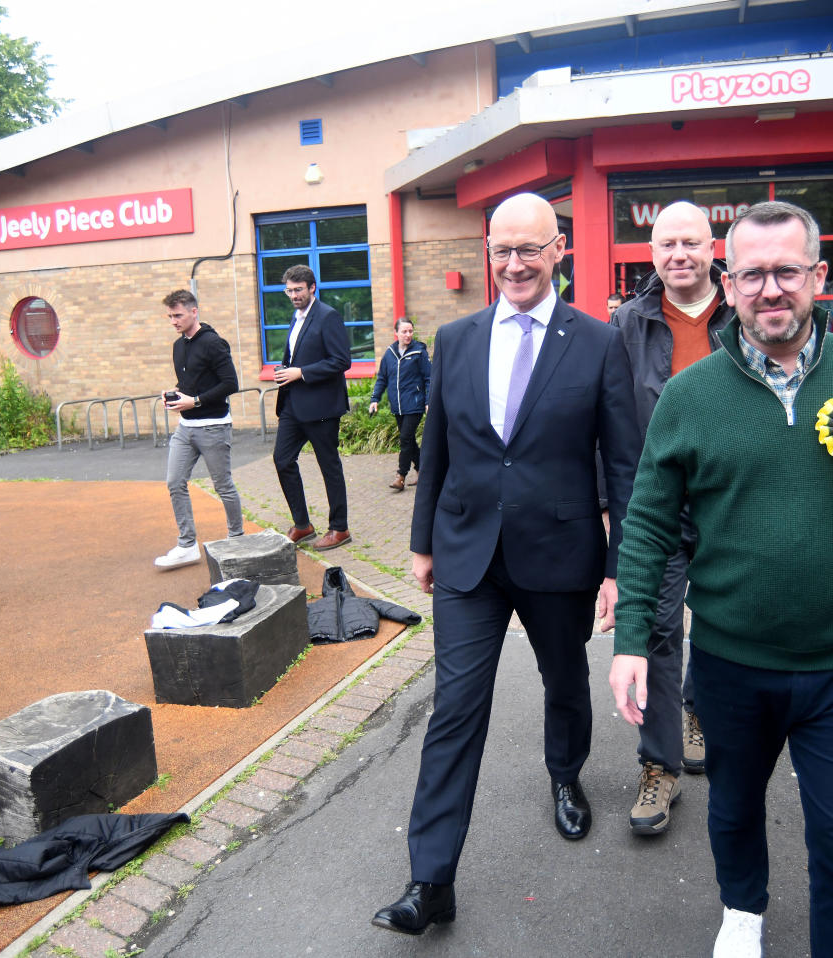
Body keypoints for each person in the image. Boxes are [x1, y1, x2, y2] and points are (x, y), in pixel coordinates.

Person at [609, 200, 833, 958]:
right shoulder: (690, 397)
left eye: (786, 271)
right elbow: (650, 524)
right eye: (752, 274)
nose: (770, 290)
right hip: (730, 666)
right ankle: (743, 911)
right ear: (729, 282)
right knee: (733, 810)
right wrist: (632, 642)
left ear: (818, 277)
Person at [372, 192, 641, 936]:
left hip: (560, 554)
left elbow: (625, 466)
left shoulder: (596, 341)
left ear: (559, 251)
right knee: (455, 708)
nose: (514, 264)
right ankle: (431, 881)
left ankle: (565, 773)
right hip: (467, 554)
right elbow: (439, 452)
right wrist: (422, 541)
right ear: (486, 254)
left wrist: (621, 566)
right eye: (501, 250)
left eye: (529, 249)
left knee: (564, 680)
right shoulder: (455, 338)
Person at [609, 200, 736, 835]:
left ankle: (697, 709)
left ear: (712, 247)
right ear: (651, 252)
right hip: (655, 507)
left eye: (690, 242)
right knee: (657, 630)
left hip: (732, 505)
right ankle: (659, 766)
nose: (678, 255)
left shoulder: (745, 315)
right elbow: (607, 426)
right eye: (666, 244)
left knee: (720, 624)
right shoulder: (627, 325)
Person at [154, 288, 244, 568]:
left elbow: (231, 384)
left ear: (194, 311)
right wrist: (176, 393)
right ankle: (187, 544)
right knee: (174, 482)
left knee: (223, 486)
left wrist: (195, 401)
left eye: (178, 315)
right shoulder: (178, 346)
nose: (173, 321)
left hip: (214, 427)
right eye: (170, 316)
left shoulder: (214, 343)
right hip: (186, 427)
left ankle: (237, 540)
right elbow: (190, 383)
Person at [272, 265, 353, 551]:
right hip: (293, 404)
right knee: (282, 460)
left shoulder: (328, 316)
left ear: (312, 288)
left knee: (329, 466)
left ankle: (339, 528)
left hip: (321, 407)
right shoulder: (295, 318)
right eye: (289, 291)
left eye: (298, 290)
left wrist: (301, 372)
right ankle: (303, 525)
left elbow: (341, 360)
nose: (293, 295)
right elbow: (296, 355)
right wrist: (285, 370)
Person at [368, 317, 431, 492]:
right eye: (404, 331)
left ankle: (401, 476)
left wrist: (428, 400)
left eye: (410, 331)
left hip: (415, 403)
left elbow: (429, 378)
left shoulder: (419, 352)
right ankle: (422, 472)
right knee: (409, 440)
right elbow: (382, 379)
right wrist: (375, 399)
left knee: (405, 438)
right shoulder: (389, 354)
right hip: (397, 406)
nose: (408, 334)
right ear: (396, 333)